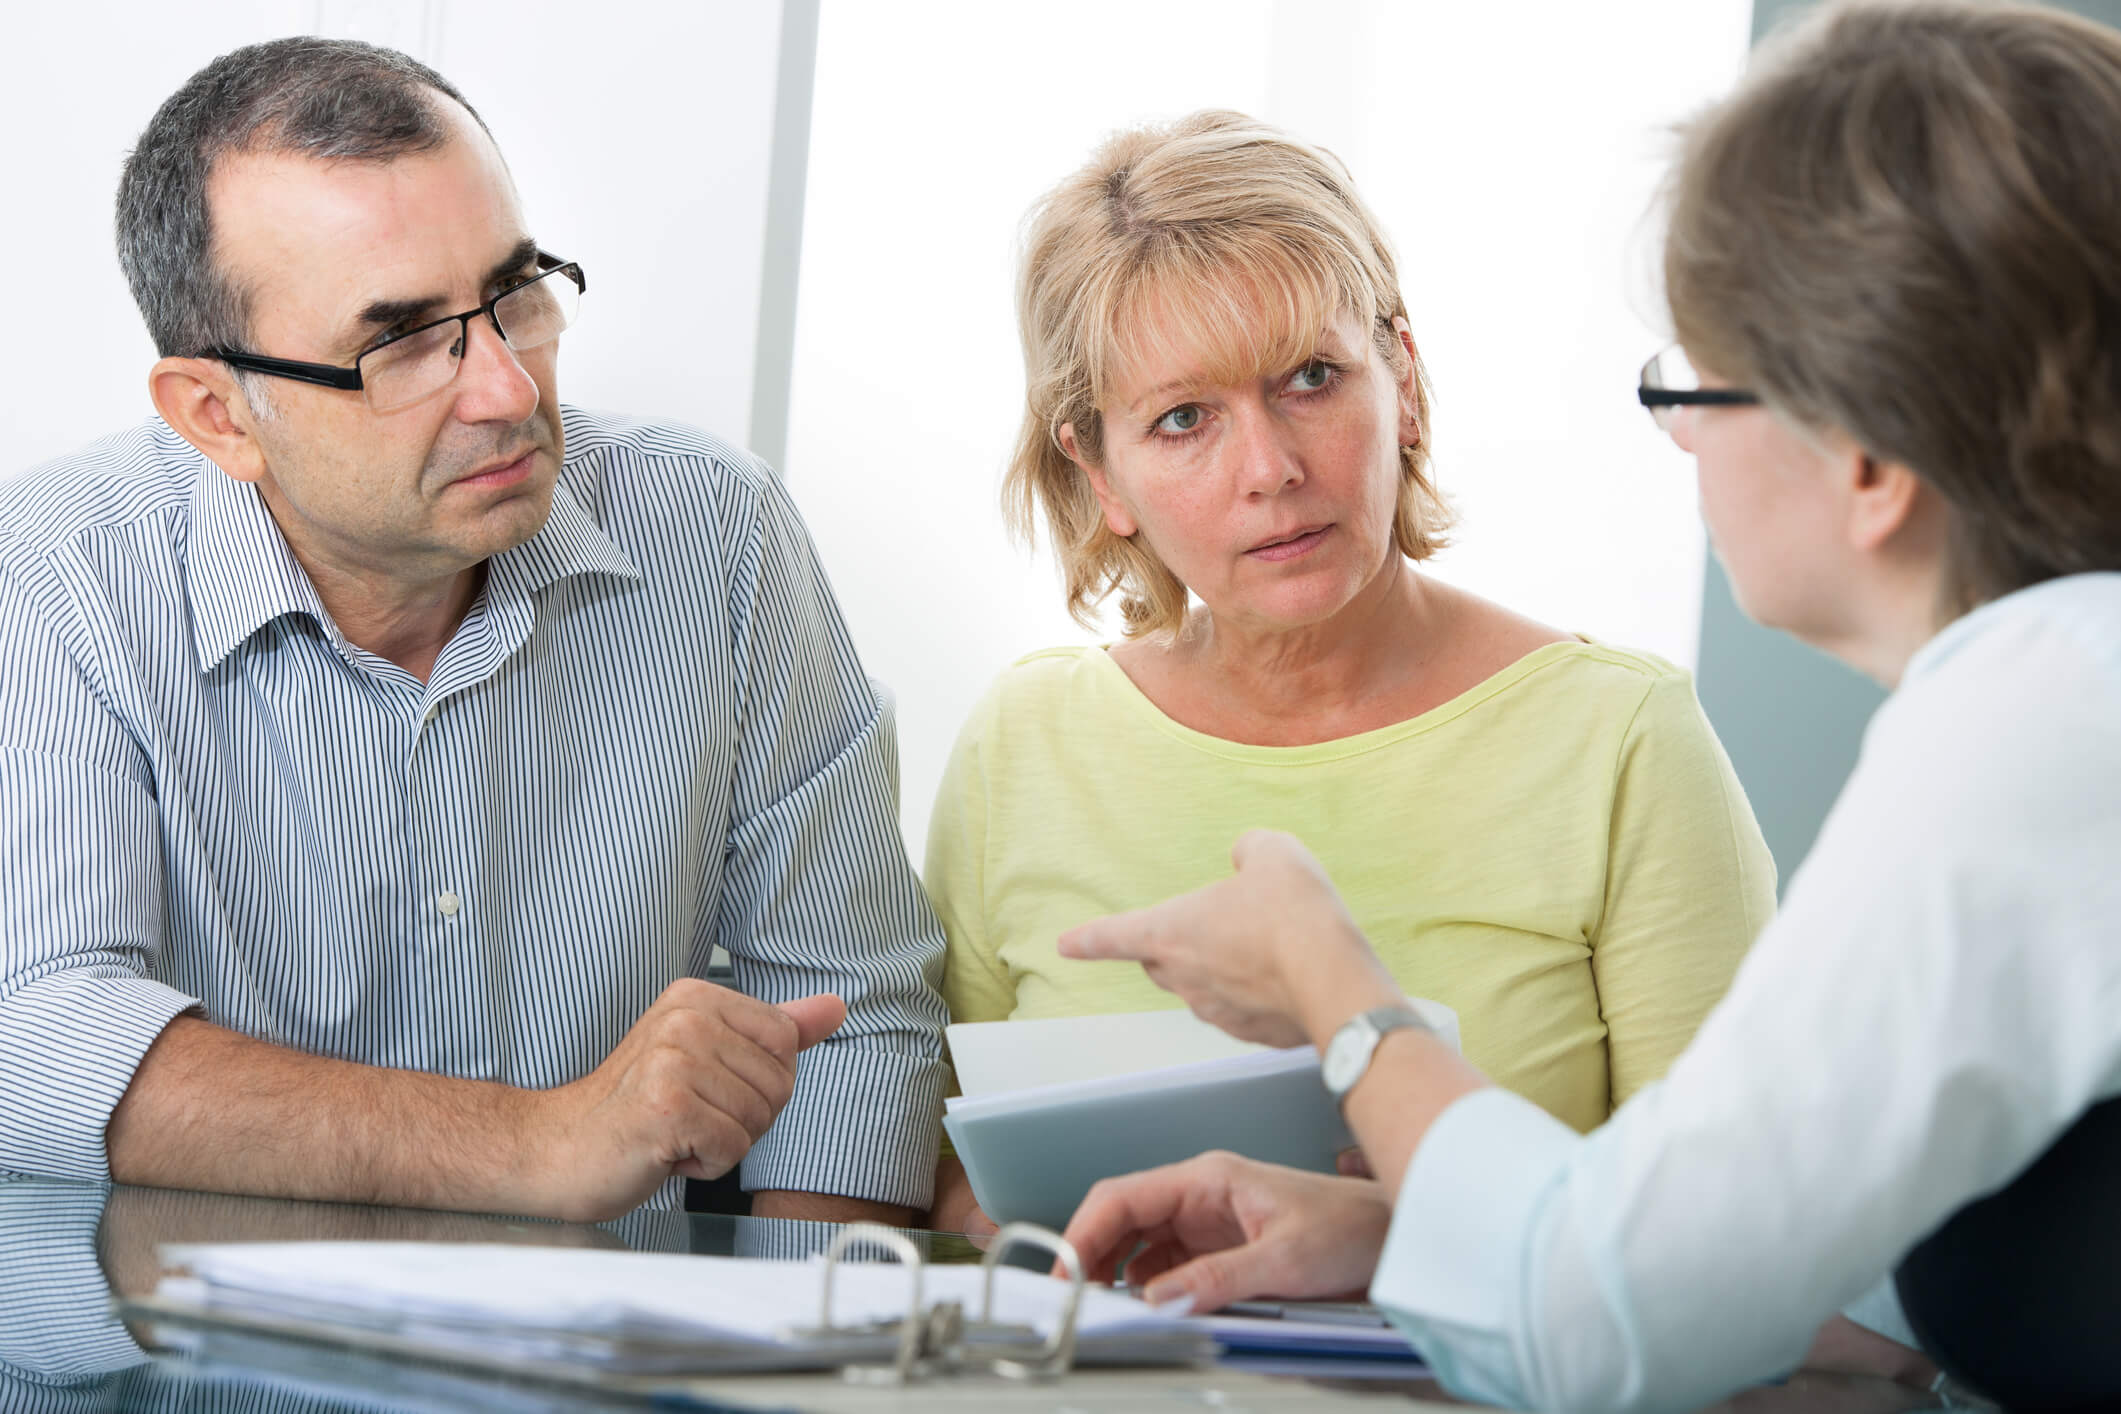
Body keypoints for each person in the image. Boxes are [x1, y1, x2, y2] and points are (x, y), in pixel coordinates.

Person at [1056, 2, 2121, 1409]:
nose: (1680, 440)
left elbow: (1598, 1324)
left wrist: (1336, 988)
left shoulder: (2030, 726)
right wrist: (1396, 1234)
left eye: (1691, 383)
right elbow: (1767, 1269)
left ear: (1862, 454)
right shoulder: (2057, 693)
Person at [0, 38, 948, 1226]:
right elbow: (34, 1038)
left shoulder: (722, 533)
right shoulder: (53, 574)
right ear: (215, 412)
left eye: (517, 296)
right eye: (400, 346)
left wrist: (814, 1361)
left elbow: (850, 1015)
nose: (506, 388)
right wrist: (540, 1143)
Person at [924, 111, 1775, 1230]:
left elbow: (1724, 1233)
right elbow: (947, 1190)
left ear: (1404, 380)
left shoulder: (1623, 738)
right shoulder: (1021, 741)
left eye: (1313, 378)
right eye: (1185, 419)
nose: (1271, 467)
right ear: (1099, 475)